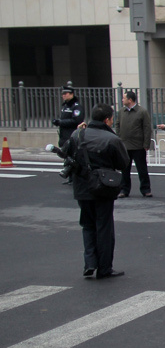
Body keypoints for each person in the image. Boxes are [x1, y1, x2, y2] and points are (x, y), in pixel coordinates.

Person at [61, 103, 129, 279]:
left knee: (88, 225)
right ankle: (104, 267)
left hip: (82, 187)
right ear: (107, 120)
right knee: (104, 227)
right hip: (103, 187)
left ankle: (89, 263)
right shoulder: (111, 139)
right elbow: (123, 163)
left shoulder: (78, 134)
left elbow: (65, 153)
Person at [115, 90, 154, 198]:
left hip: (138, 146)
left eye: (124, 98)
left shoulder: (141, 111)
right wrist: (119, 138)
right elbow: (117, 125)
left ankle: (146, 189)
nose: (122, 100)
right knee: (124, 170)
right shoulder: (122, 111)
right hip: (125, 146)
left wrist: (146, 143)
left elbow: (147, 128)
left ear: (130, 99)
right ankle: (124, 189)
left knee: (142, 169)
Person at [54, 85, 84, 185]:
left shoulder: (76, 106)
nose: (64, 96)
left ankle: (74, 177)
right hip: (64, 135)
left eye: (66, 94)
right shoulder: (66, 106)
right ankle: (70, 177)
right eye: (63, 94)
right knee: (67, 157)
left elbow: (76, 120)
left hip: (72, 135)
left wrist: (60, 122)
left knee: (73, 157)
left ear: (71, 94)